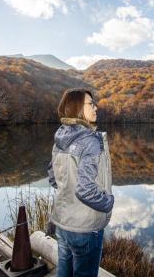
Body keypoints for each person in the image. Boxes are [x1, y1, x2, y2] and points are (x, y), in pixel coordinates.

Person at [47, 88, 114, 277]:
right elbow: (85, 191)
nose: (96, 107)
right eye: (90, 104)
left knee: (64, 273)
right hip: (85, 226)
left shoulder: (60, 138)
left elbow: (53, 177)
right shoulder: (90, 141)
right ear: (77, 108)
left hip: (62, 222)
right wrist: (108, 203)